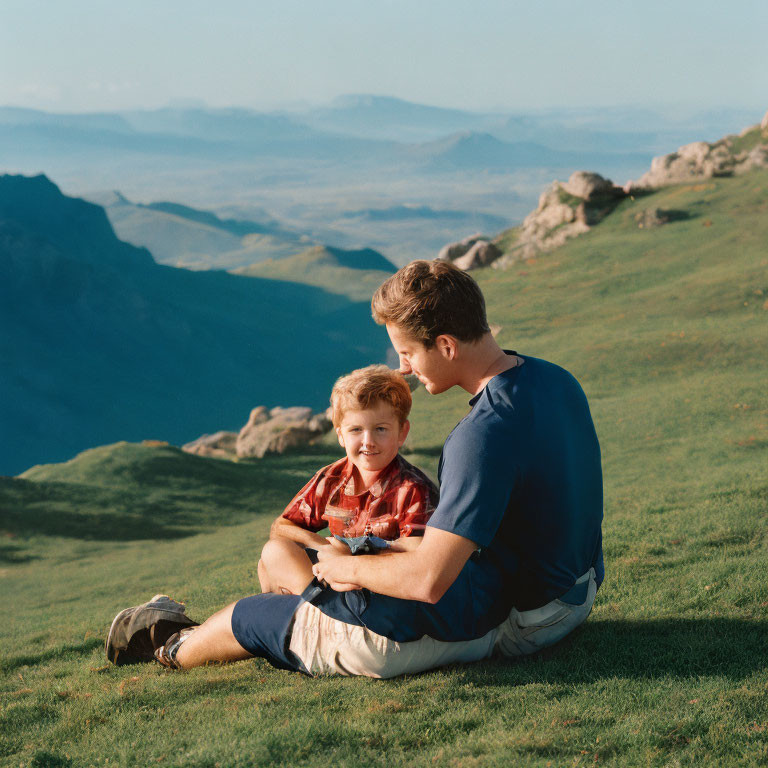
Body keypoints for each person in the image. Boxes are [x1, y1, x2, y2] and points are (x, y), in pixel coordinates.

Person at [106, 259, 603, 677]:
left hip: (521, 621)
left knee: (258, 616)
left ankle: (165, 645)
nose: (404, 368)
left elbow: (429, 581)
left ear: (447, 346)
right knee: (341, 574)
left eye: (408, 352)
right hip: (574, 594)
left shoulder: (482, 435)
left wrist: (339, 565)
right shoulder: (553, 379)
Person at [256, 364, 438, 596]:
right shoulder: (332, 479)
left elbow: (419, 552)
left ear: (402, 432)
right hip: (336, 575)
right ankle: (320, 610)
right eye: (356, 430)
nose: (368, 441)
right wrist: (327, 548)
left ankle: (321, 611)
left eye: (380, 429)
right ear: (340, 434)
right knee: (273, 554)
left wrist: (353, 553)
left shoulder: (412, 488)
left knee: (275, 562)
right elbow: (282, 527)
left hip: (384, 586)